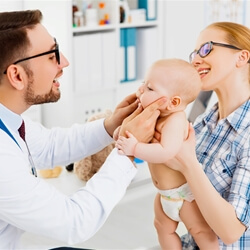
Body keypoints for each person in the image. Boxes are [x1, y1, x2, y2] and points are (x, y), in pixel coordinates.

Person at [0, 10, 166, 249]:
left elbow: (50, 145)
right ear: (16, 75)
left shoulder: (8, 120)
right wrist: (128, 148)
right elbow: (74, 222)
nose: (64, 62)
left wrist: (111, 126)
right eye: (52, 55)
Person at [162, 22, 250, 249]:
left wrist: (188, 164)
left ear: (241, 58)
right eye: (194, 53)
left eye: (206, 48)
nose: (195, 60)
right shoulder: (204, 122)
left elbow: (231, 232)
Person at [115, 58, 219, 249]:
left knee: (200, 231)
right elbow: (129, 133)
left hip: (184, 195)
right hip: (164, 194)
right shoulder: (152, 115)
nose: (141, 90)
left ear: (173, 102)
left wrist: (135, 148)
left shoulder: (175, 121)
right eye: (143, 84)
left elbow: (166, 152)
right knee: (163, 228)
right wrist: (122, 132)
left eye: (150, 88)